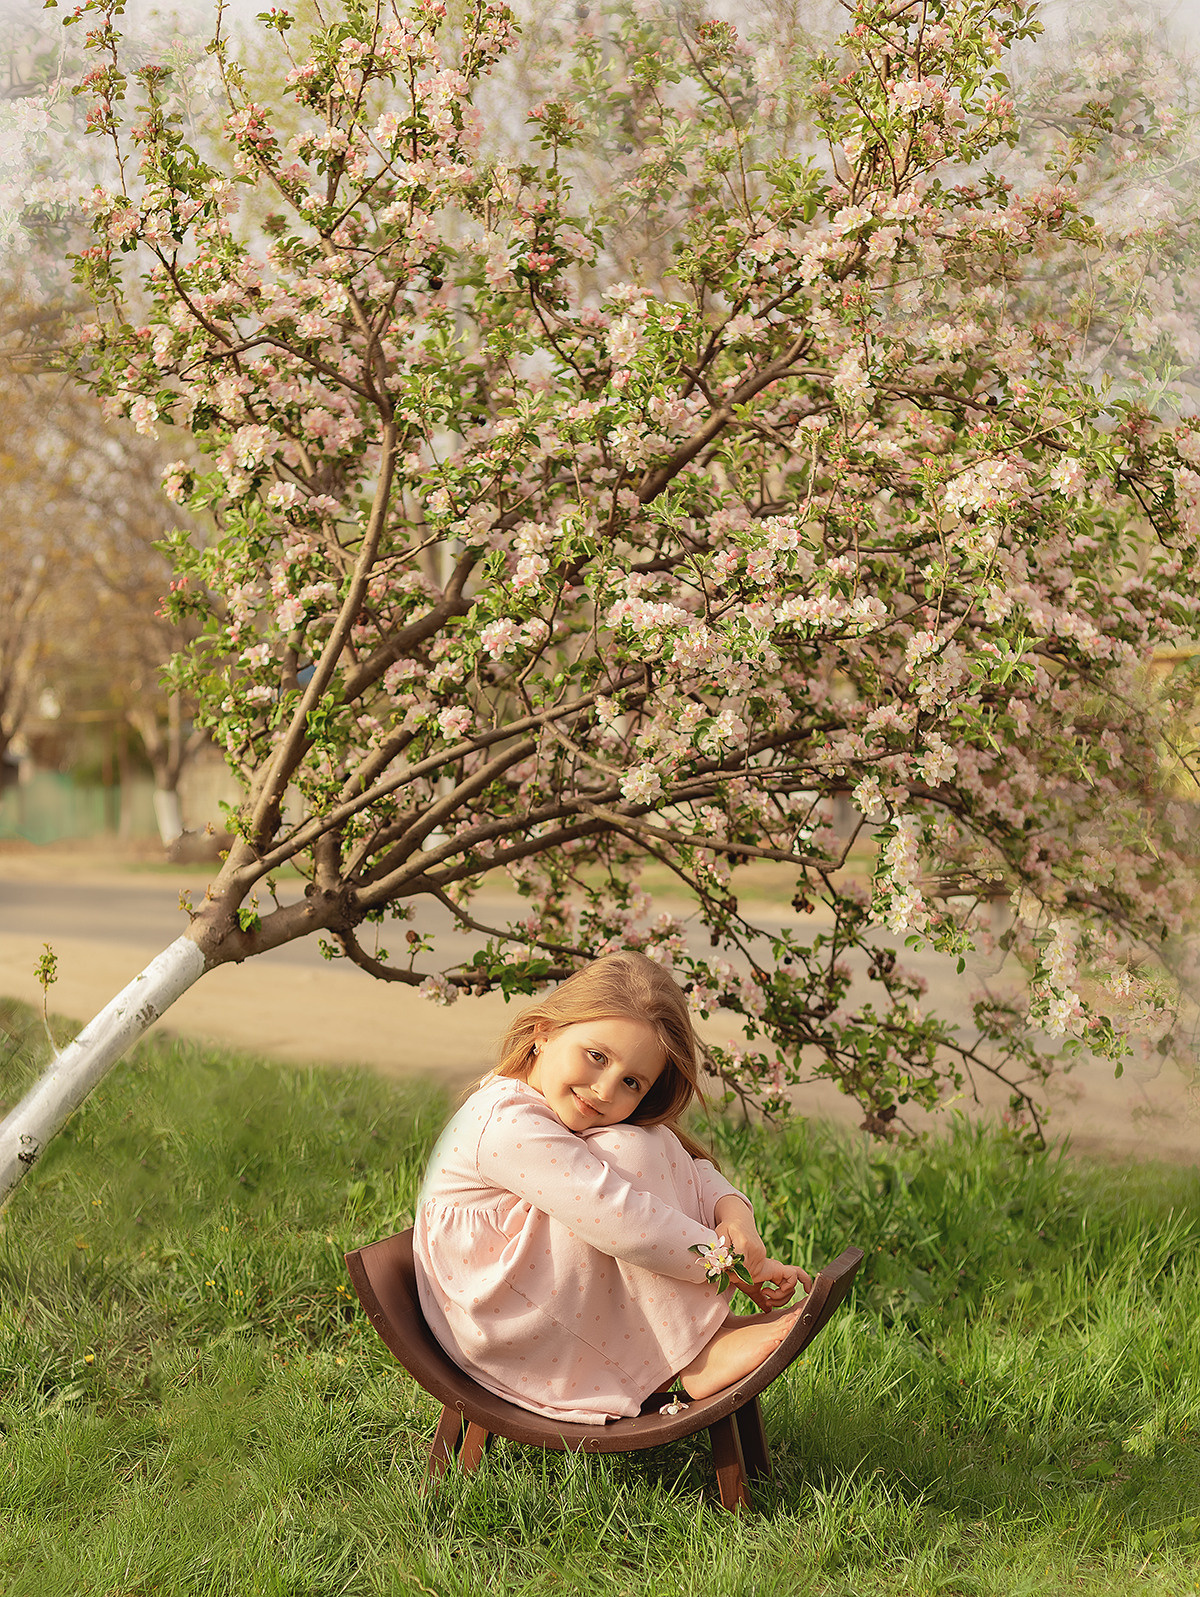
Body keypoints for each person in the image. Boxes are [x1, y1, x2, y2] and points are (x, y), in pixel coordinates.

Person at [412, 951, 812, 1424]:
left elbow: (688, 1164)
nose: (605, 1090)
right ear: (545, 1033)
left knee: (644, 1140)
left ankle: (703, 1337)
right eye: (596, 1056)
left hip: (534, 1295)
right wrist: (733, 1270)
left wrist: (735, 1218)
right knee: (627, 1158)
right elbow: (622, 1222)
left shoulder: (557, 1106)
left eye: (631, 1082)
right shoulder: (506, 1121)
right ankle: (695, 1360)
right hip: (496, 1321)